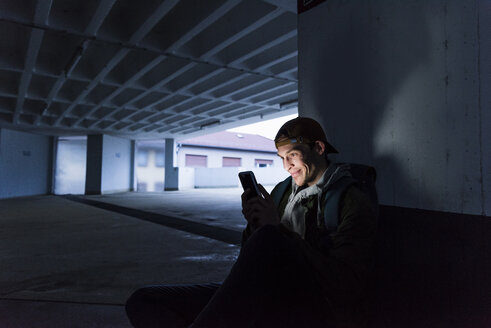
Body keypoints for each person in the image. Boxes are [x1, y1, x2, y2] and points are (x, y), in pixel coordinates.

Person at [126, 117, 377, 328]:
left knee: (270, 237)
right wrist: (254, 224)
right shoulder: (282, 193)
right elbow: (251, 258)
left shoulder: (352, 200)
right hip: (264, 292)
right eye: (281, 157)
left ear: (319, 148)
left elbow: (345, 287)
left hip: (313, 305)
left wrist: (274, 231)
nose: (286, 166)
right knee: (144, 300)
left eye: (292, 155)